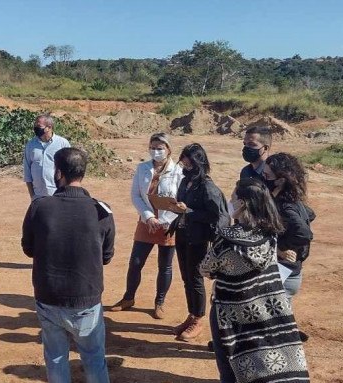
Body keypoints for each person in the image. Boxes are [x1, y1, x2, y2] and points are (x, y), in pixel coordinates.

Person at [199, 177, 309, 382]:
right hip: (265, 308)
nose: (230, 201)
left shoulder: (227, 238)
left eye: (233, 198)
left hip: (231, 312)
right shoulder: (270, 233)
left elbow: (206, 268)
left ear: (242, 203)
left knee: (230, 367)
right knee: (263, 359)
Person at [21, 147, 115, 383]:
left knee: (55, 358)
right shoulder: (100, 211)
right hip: (86, 299)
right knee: (94, 357)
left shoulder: (39, 207)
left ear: (58, 173)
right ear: (82, 173)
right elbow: (106, 256)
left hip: (48, 297)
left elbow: (28, 249)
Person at [109, 132, 183, 319]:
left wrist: (166, 221)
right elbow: (136, 195)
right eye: (152, 147)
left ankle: (159, 302)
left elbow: (181, 201)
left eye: (160, 148)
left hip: (169, 224)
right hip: (146, 222)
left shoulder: (178, 172)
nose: (155, 151)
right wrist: (149, 217)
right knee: (135, 262)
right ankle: (128, 298)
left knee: (165, 266)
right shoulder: (142, 168)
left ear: (168, 149)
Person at [167, 143, 227, 342]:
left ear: (198, 163)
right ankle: (192, 314)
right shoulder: (185, 182)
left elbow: (215, 215)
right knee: (186, 277)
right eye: (183, 161)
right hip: (183, 234)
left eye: (188, 162)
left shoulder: (208, 187)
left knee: (195, 278)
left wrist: (188, 211)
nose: (184, 165)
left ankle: (198, 320)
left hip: (198, 238)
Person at [265, 153, 315, 343]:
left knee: (273, 321)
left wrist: (280, 247)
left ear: (281, 180)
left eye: (269, 176)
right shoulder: (291, 201)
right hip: (287, 271)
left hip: (285, 272)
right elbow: (311, 215)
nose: (265, 179)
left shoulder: (286, 207)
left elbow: (304, 234)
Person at [23, 114, 71, 200]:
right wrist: (32, 196)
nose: (35, 128)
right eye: (35, 125)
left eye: (39, 126)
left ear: (49, 127)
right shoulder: (30, 145)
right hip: (38, 195)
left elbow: (69, 169)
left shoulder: (62, 144)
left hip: (58, 194)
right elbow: (27, 171)